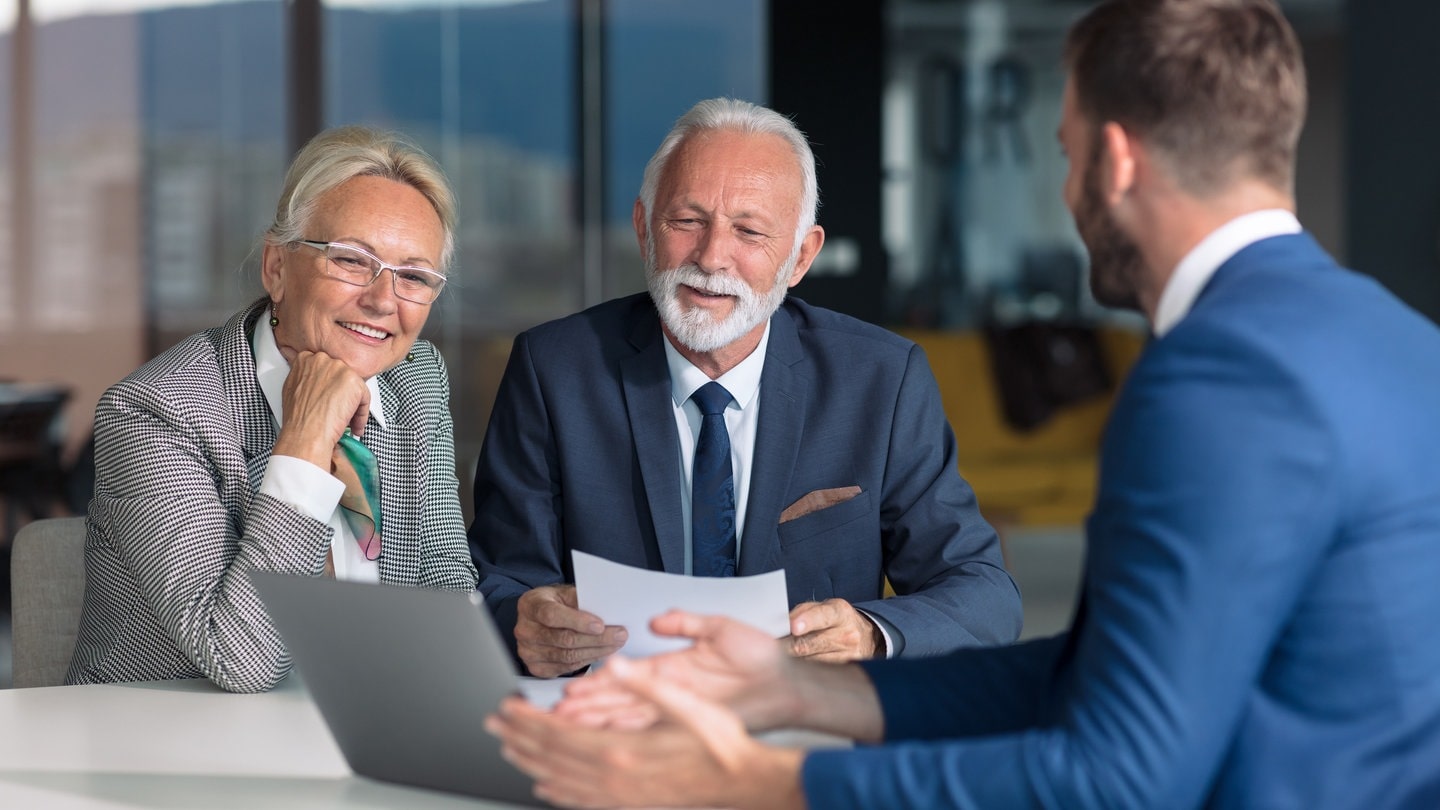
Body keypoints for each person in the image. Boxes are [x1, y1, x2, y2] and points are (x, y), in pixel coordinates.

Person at [485, 1, 1440, 806]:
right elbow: (1109, 671)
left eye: (1062, 155)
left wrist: (764, 782)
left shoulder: (1216, 378)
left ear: (1113, 162)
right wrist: (811, 696)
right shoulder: (1402, 344)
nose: (1064, 193)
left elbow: (1118, 771)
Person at [468, 97, 1021, 678]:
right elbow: (502, 578)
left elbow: (984, 596)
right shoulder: (554, 369)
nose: (711, 258)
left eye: (749, 231)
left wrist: (870, 634)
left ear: (801, 256)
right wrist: (523, 624)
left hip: (804, 728)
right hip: (615, 719)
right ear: (643, 228)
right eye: (687, 222)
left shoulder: (881, 380)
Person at [67, 126, 478, 694]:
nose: (384, 301)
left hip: (359, 728)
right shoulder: (157, 411)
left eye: (413, 276)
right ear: (277, 269)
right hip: (167, 749)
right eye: (353, 261)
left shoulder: (416, 379)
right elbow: (243, 660)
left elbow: (443, 584)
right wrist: (306, 441)